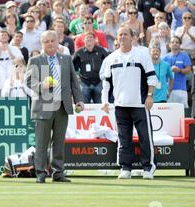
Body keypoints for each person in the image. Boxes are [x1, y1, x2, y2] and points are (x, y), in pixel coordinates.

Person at [25, 30, 84, 183]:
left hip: (62, 106)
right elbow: (29, 81)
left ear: (58, 42)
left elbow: (74, 82)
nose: (50, 44)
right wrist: (42, 85)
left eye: (52, 40)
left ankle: (58, 173)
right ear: (42, 44)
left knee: (59, 142)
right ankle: (41, 172)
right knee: (41, 142)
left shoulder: (66, 59)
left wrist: (79, 100)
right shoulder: (35, 60)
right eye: (46, 41)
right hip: (43, 107)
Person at [101, 26, 158, 179]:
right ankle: (126, 168)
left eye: (126, 34)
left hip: (140, 104)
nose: (123, 37)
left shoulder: (142, 55)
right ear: (117, 38)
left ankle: (148, 168)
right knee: (123, 138)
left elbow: (152, 78)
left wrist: (150, 96)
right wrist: (105, 101)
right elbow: (106, 83)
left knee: (145, 137)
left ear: (132, 37)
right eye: (120, 35)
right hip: (120, 106)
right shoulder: (111, 58)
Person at [73, 32, 108, 103]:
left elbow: (108, 63)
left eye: (91, 37)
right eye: (87, 37)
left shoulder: (101, 51)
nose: (89, 39)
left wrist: (104, 76)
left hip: (99, 82)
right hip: (84, 83)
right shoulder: (79, 53)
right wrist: (77, 77)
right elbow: (73, 67)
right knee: (84, 107)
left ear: (95, 39)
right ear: (83, 40)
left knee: (100, 107)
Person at [163, 36, 192, 108]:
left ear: (180, 44)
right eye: (172, 42)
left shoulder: (184, 55)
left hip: (181, 89)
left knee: (182, 113)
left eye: (177, 42)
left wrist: (179, 70)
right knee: (168, 113)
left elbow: (189, 70)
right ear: (169, 45)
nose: (174, 43)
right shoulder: (165, 57)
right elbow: (161, 72)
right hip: (167, 90)